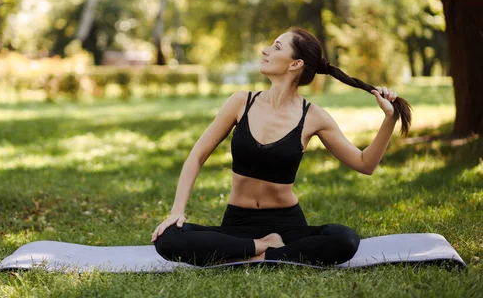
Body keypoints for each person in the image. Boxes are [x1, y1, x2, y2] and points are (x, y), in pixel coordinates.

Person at [151, 27, 412, 267]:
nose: (265, 51)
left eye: (276, 47)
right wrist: (177, 211)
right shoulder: (241, 102)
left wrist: (389, 119)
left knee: (345, 239)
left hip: (287, 226)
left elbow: (365, 164)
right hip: (237, 222)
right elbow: (196, 157)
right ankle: (264, 248)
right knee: (168, 238)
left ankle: (251, 253)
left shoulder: (313, 116)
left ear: (295, 64)